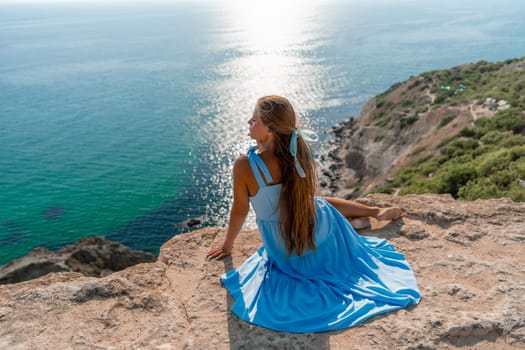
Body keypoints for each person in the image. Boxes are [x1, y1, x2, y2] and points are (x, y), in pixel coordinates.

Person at [206, 95, 420, 333]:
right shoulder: (299, 150)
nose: (249, 122)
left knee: (317, 204)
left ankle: (360, 219)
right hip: (319, 231)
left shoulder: (245, 165)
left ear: (269, 128)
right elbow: (304, 198)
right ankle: (371, 213)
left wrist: (227, 245)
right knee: (318, 204)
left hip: (285, 246)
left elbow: (239, 211)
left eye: (254, 119)